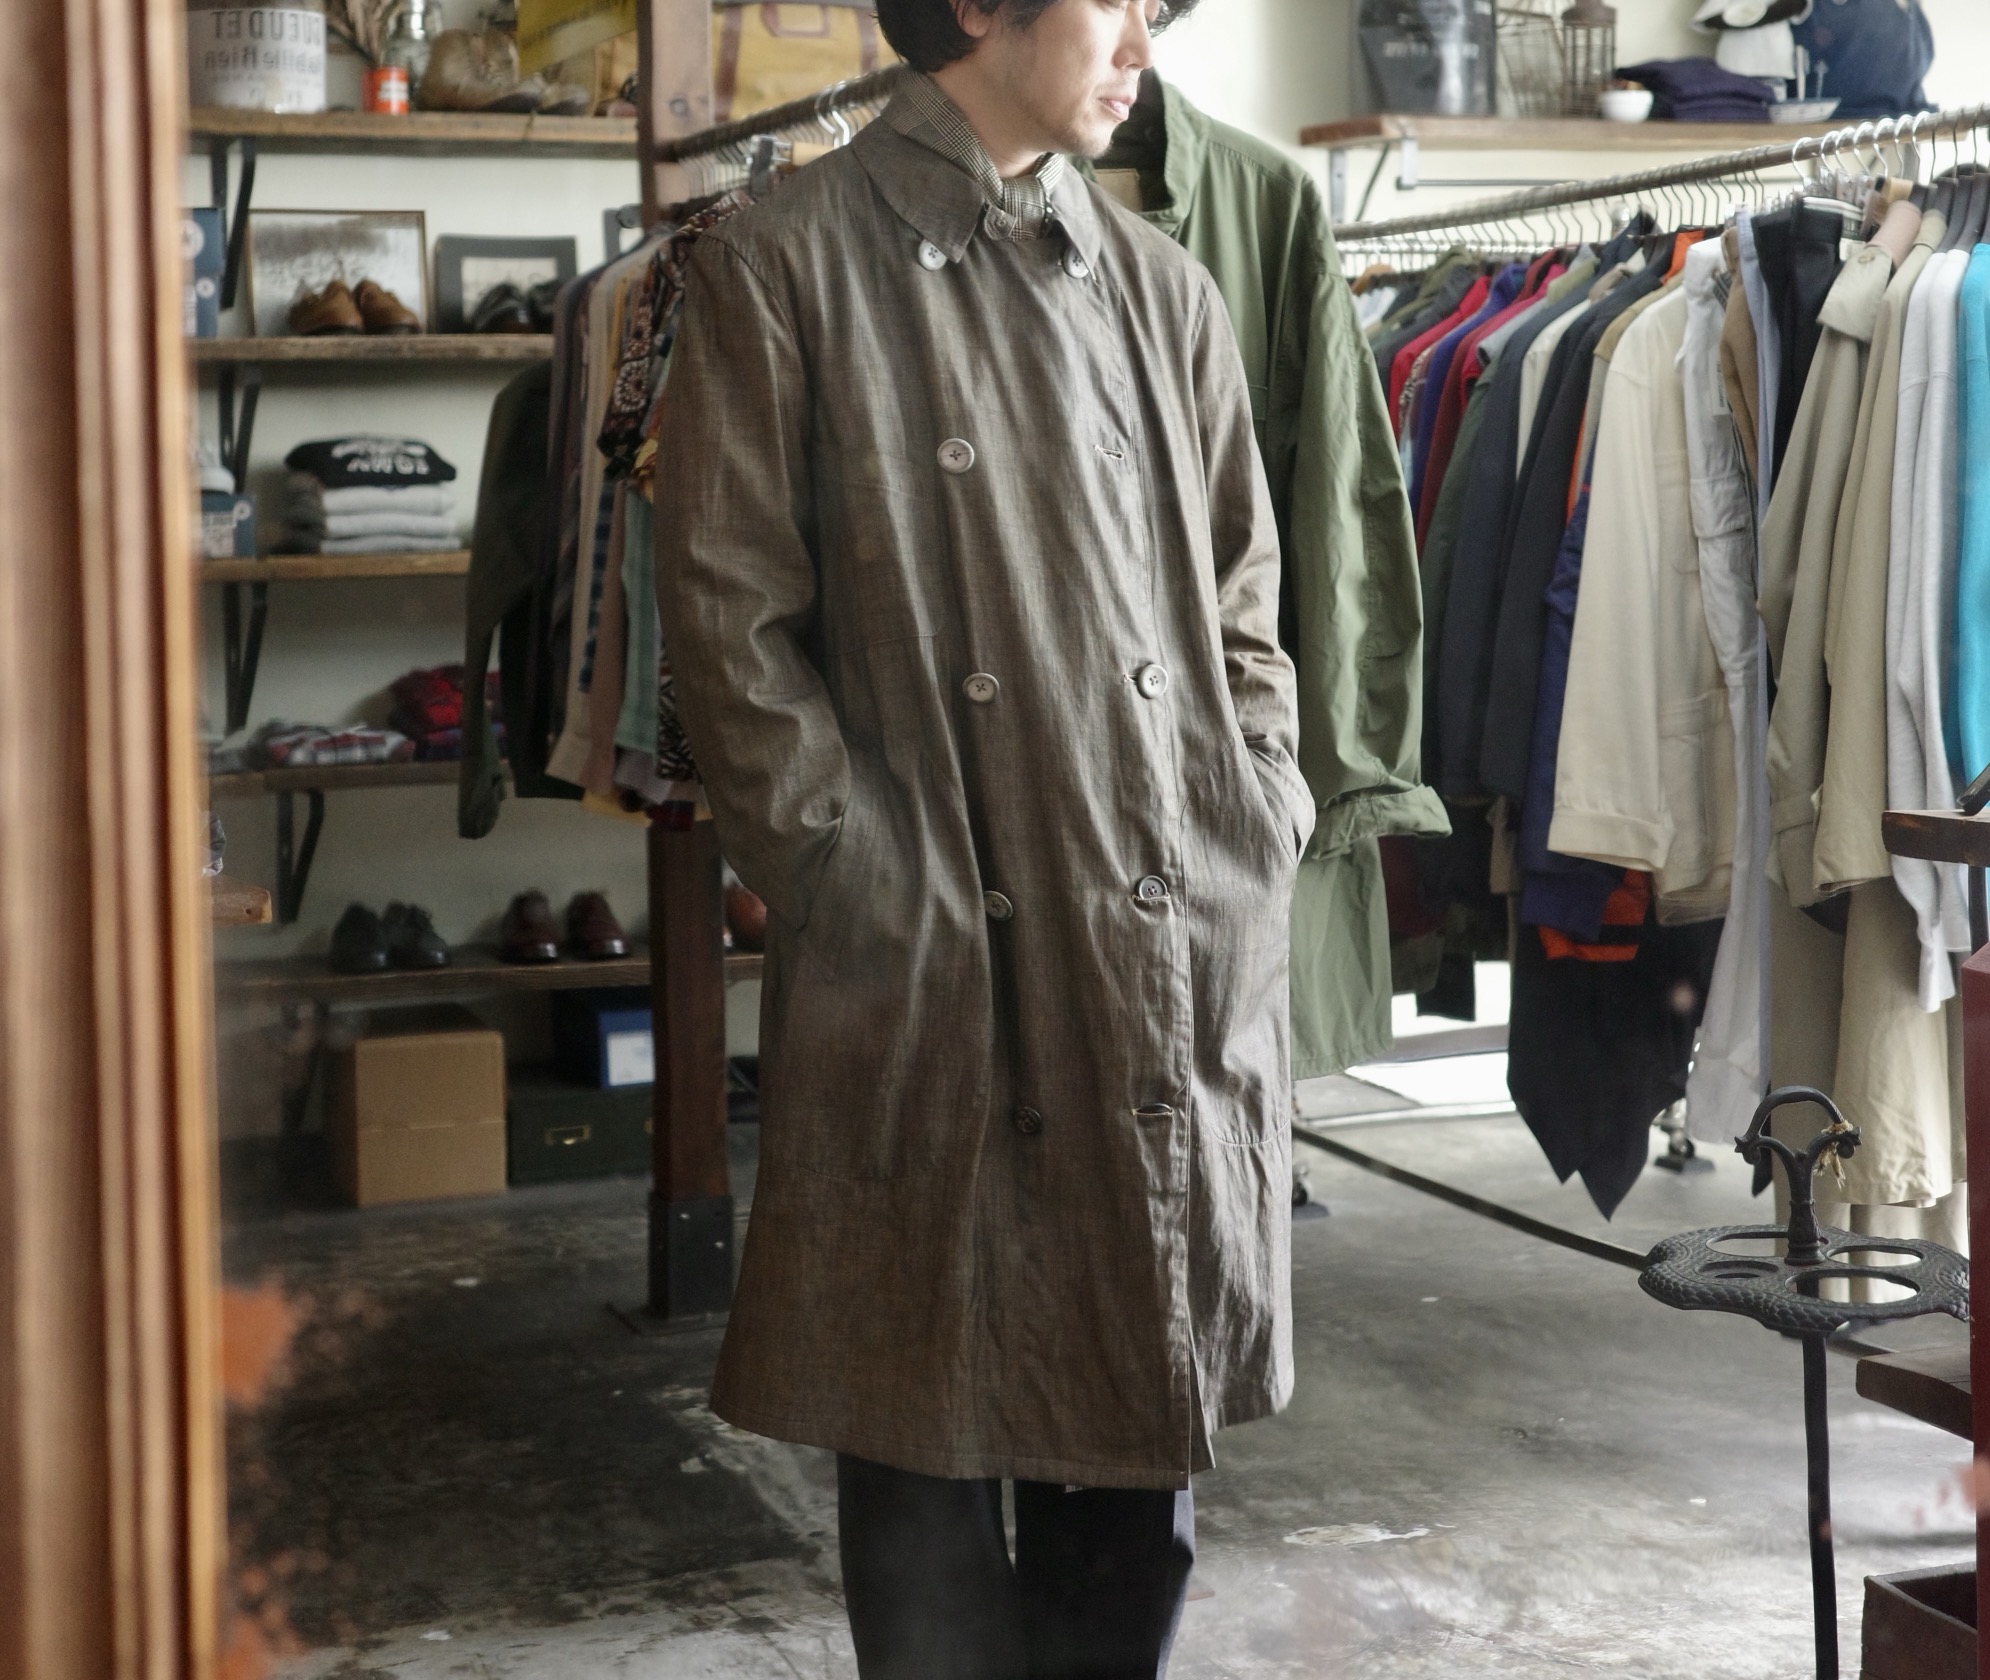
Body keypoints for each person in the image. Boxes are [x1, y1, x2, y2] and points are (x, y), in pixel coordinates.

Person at [654, 0, 1308, 1670]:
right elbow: (728, 627)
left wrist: (1258, 802)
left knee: (1133, 1427)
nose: (1142, 46)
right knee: (922, 1419)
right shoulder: (783, 261)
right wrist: (856, 876)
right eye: (1115, 4)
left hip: (1152, 919)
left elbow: (1244, 601)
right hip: (932, 927)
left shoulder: (1161, 284)